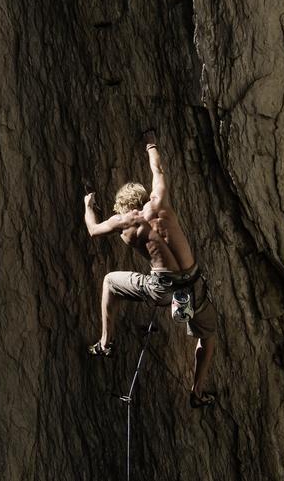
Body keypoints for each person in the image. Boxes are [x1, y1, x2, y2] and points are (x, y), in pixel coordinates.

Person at [83, 132, 218, 408]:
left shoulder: (127, 220)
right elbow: (158, 168)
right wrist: (151, 144)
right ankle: (198, 392)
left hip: (162, 290)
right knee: (208, 337)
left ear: (125, 207)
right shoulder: (160, 201)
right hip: (193, 285)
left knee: (109, 281)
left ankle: (106, 343)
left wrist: (88, 207)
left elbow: (94, 231)